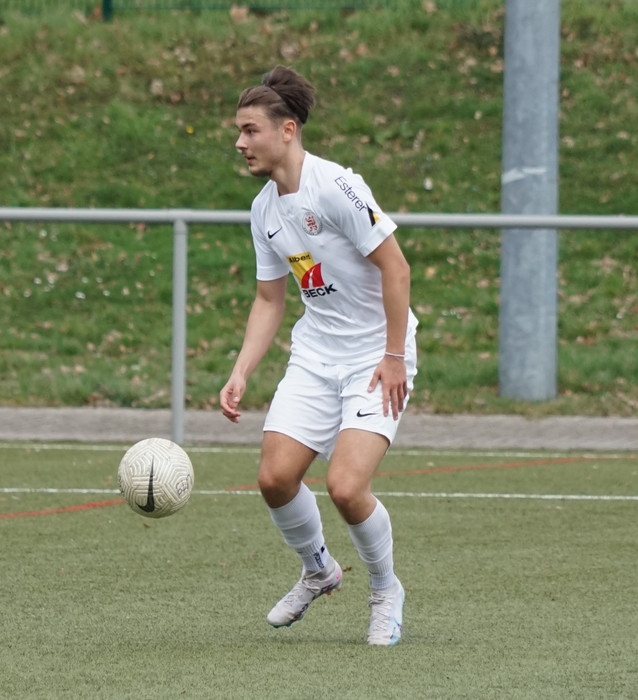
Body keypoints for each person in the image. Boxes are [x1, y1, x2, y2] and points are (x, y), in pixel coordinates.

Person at [219, 65, 418, 646]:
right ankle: (319, 570)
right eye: (238, 131)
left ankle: (385, 589)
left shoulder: (334, 186)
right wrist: (240, 371)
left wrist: (393, 355)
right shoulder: (263, 210)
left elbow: (397, 268)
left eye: (250, 130)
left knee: (347, 487)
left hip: (375, 355)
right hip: (315, 354)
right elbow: (269, 298)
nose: (240, 143)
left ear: (287, 131)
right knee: (275, 478)